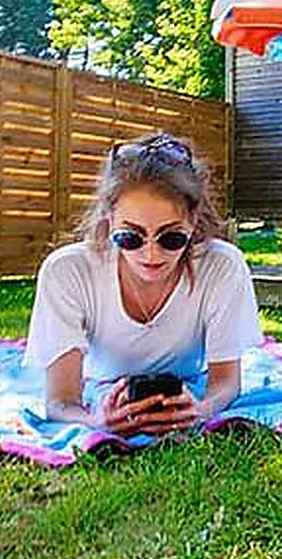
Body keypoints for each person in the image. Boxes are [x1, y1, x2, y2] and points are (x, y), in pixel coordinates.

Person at [23, 131, 262, 436]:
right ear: (109, 219)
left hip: (189, 379)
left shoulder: (222, 266)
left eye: (171, 238)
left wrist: (199, 411)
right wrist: (97, 422)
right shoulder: (68, 271)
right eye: (130, 237)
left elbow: (226, 383)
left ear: (193, 219)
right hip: (100, 381)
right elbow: (60, 403)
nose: (151, 254)